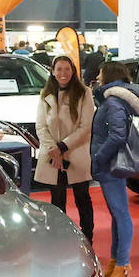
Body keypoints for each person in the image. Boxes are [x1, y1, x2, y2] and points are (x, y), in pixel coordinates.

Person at [89, 62, 139, 277]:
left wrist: (99, 158)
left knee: (121, 214)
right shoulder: (114, 99)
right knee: (117, 214)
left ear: (109, 75)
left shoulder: (113, 102)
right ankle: (116, 262)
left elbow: (116, 136)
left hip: (110, 165)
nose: (97, 76)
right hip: (110, 165)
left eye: (100, 72)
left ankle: (122, 266)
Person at [34, 55, 96, 243]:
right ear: (52, 72)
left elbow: (86, 127)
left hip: (76, 153)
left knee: (82, 197)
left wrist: (63, 146)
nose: (63, 73)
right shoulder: (45, 95)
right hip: (53, 155)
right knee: (57, 199)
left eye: (67, 69)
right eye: (59, 69)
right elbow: (41, 126)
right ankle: (58, 238)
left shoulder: (84, 93)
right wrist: (53, 149)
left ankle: (87, 238)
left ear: (73, 71)